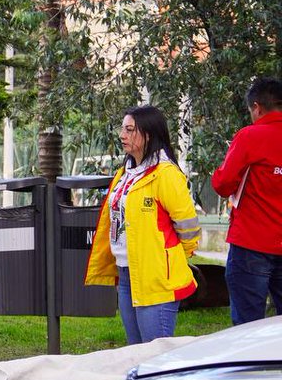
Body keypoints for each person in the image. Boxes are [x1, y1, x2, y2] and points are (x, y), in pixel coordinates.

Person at [85, 105, 200, 344]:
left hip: (156, 277)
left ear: (148, 134)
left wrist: (172, 258)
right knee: (135, 351)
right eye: (122, 129)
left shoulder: (165, 174)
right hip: (127, 272)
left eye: (130, 130)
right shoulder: (124, 174)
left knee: (154, 353)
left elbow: (188, 226)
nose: (122, 135)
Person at [211, 77, 282, 324]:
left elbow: (222, 184)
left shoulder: (250, 136)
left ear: (256, 107)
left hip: (252, 242)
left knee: (248, 326)